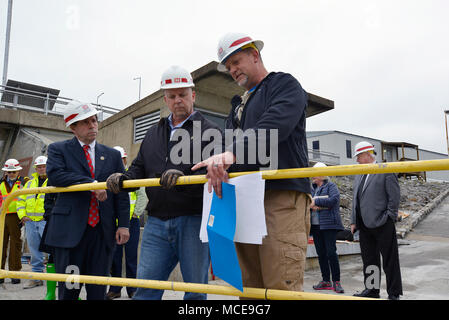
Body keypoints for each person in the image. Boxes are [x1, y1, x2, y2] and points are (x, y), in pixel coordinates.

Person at [192, 33, 311, 292]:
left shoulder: (284, 85)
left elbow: (275, 125)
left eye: (236, 61)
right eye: (228, 66)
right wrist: (219, 165)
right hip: (245, 200)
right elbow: (227, 147)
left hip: (279, 198)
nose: (232, 70)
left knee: (281, 287)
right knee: (250, 288)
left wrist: (231, 155)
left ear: (255, 55)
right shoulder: (238, 106)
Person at [106, 65, 222, 300]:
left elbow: (215, 173)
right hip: (156, 222)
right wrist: (124, 177)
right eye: (172, 96)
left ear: (193, 95)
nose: (177, 100)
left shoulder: (211, 132)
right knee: (146, 290)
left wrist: (183, 176)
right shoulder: (153, 132)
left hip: (194, 220)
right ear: (165, 100)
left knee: (196, 292)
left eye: (183, 95)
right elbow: (140, 165)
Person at [44, 100, 130, 300]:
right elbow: (56, 176)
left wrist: (124, 225)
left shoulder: (112, 155)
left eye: (94, 120)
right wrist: (92, 185)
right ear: (73, 127)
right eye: (86, 122)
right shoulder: (59, 150)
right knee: (70, 290)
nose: (93, 125)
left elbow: (122, 192)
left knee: (97, 290)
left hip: (101, 233)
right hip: (72, 235)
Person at [350, 141, 402, 300]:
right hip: (364, 225)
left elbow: (394, 196)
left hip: (382, 223)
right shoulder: (359, 174)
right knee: (370, 260)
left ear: (367, 155)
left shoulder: (385, 171)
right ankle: (372, 290)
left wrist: (389, 217)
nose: (357, 160)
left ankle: (393, 293)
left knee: (389, 260)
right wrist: (353, 221)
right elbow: (355, 199)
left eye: (358, 156)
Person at [106, 146, 145, 300]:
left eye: (122, 159)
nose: (120, 162)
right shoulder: (109, 177)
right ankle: (115, 289)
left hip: (131, 222)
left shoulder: (131, 176)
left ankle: (132, 289)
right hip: (113, 223)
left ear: (125, 159)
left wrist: (136, 213)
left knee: (130, 257)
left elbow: (142, 196)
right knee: (114, 258)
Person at [309, 162, 345, 293]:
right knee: (321, 254)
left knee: (331, 252)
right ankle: (326, 281)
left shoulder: (331, 186)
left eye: (315, 173)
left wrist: (316, 201)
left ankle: (336, 281)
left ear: (321, 174)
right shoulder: (312, 188)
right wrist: (311, 204)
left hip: (328, 225)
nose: (312, 176)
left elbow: (333, 200)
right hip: (316, 226)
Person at [16, 156, 48, 289]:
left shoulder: (53, 181)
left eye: (43, 166)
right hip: (30, 222)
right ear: (35, 168)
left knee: (53, 251)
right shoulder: (29, 183)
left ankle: (57, 278)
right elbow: (20, 201)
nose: (41, 169)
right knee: (35, 251)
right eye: (39, 167)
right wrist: (22, 216)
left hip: (46, 221)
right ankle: (36, 278)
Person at [0, 159, 29, 284]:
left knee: (15, 244)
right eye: (9, 171)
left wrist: (24, 215)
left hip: (16, 216)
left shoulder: (24, 182)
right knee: (1, 244)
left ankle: (14, 272)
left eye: (13, 171)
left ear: (18, 171)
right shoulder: (0, 183)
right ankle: (1, 272)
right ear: (6, 172)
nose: (11, 174)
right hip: (2, 216)